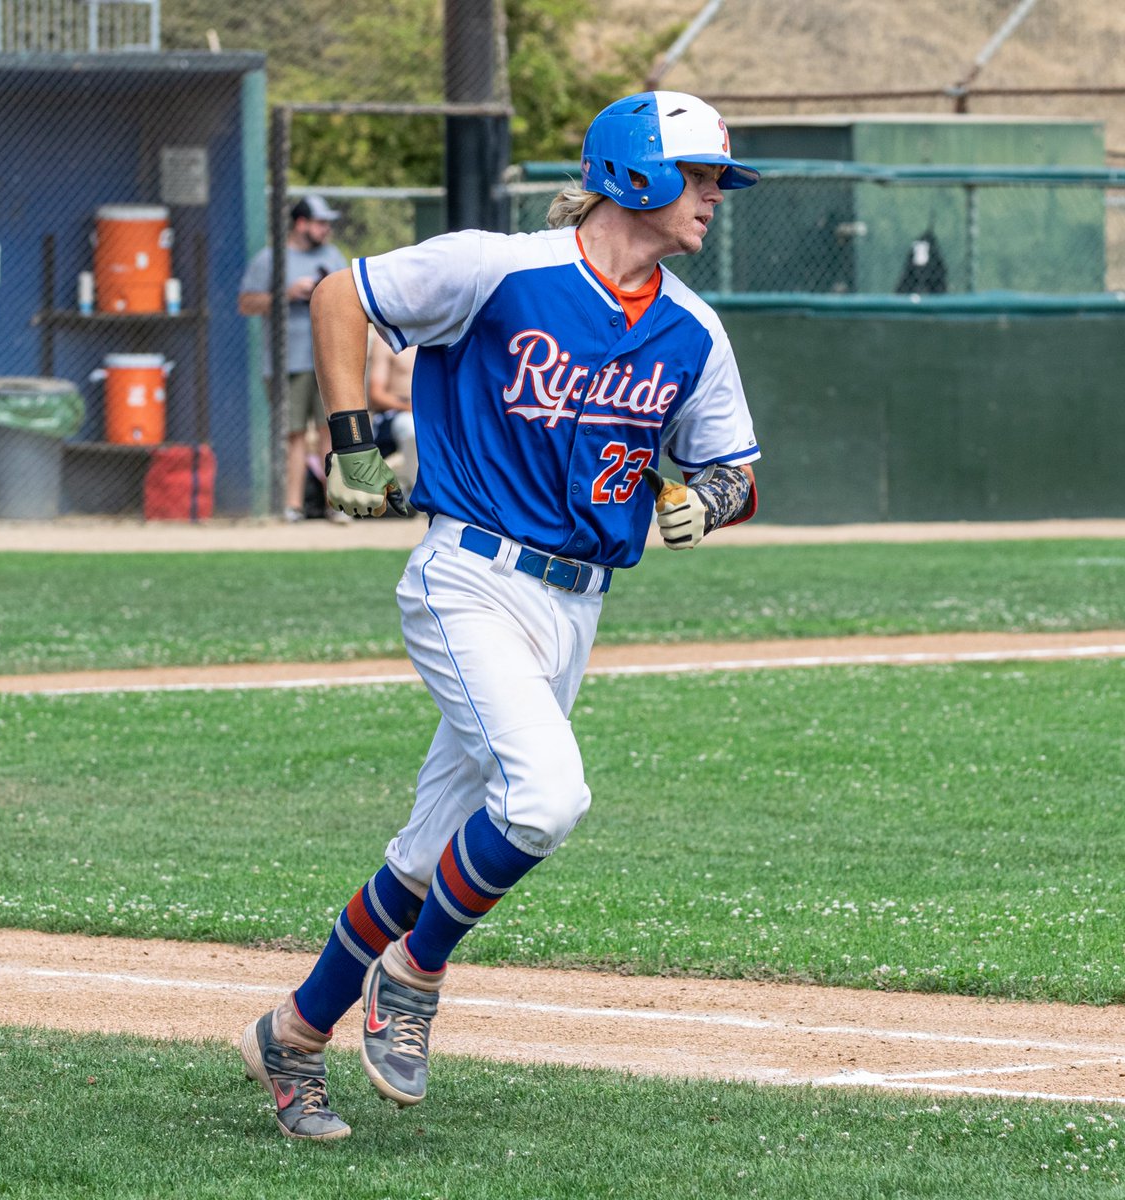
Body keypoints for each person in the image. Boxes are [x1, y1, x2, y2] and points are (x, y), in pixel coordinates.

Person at [239, 90, 762, 1141]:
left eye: (715, 179)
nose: (714, 197)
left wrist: (702, 500)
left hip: (576, 609)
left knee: (427, 858)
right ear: (636, 175)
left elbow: (736, 469)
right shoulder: (501, 267)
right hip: (467, 575)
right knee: (549, 798)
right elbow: (341, 296)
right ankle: (415, 975)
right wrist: (350, 448)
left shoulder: (693, 330)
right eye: (700, 175)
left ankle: (292, 1037)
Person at [237, 194, 351, 523]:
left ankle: (337, 505)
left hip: (328, 358)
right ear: (301, 224)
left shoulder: (333, 256)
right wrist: (286, 294)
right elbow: (246, 304)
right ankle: (292, 506)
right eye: (320, 222)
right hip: (287, 361)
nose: (326, 229)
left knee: (331, 430)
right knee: (294, 434)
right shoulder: (271, 259)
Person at [365, 331, 418, 501]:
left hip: (429, 411)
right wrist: (409, 407)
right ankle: (418, 495)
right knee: (412, 428)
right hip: (397, 413)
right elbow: (376, 394)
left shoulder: (439, 334)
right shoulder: (385, 342)